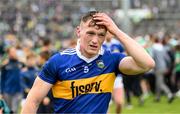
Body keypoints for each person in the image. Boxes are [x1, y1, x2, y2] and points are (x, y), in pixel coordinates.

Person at [21, 11, 155, 113]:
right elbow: (32, 101)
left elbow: (147, 64)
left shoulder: (112, 60)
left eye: (101, 35)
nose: (95, 40)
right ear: (78, 32)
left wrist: (117, 32)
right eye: (90, 33)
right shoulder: (58, 61)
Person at [102, 32, 125, 113]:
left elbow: (123, 57)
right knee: (105, 105)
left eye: (110, 33)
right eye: (106, 33)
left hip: (117, 77)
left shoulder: (117, 44)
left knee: (119, 102)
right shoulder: (100, 44)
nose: (108, 35)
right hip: (104, 77)